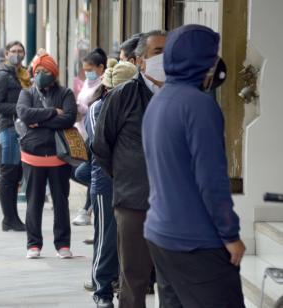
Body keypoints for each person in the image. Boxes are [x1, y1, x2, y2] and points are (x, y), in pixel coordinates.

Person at [143, 24, 246, 307]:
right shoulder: (199, 106)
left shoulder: (158, 100)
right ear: (203, 61)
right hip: (197, 242)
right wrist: (230, 234)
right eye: (213, 56)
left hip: (161, 234)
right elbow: (212, 179)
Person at [92, 29, 167, 308]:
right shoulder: (122, 96)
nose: (165, 57)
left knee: (171, 278)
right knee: (133, 278)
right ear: (140, 61)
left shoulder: (181, 95)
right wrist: (126, 176)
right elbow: (101, 147)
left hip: (173, 202)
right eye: (158, 51)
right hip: (133, 200)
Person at [85, 60, 137, 308]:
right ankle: (102, 290)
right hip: (107, 182)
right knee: (106, 238)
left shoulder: (138, 107)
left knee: (129, 239)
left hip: (133, 183)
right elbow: (100, 147)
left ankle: (122, 285)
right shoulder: (98, 109)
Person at [17, 54, 77, 259]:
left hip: (59, 156)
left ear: (54, 73)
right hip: (32, 156)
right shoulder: (27, 93)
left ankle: (63, 244)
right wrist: (53, 112)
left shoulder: (66, 93)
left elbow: (69, 118)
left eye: (46, 71)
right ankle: (33, 244)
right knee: (34, 201)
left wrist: (39, 120)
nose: (41, 75)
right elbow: (24, 115)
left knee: (61, 201)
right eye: (38, 71)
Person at [0, 40, 31, 232]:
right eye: (13, 51)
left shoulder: (24, 74)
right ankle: (9, 218)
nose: (17, 54)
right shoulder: (2, 75)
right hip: (9, 128)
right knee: (8, 173)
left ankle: (13, 217)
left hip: (23, 128)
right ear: (6, 54)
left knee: (16, 174)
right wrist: (21, 108)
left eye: (20, 51)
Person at [72, 48, 108, 227]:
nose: (88, 73)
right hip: (81, 131)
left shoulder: (104, 84)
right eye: (85, 70)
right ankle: (88, 207)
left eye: (90, 69)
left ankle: (87, 208)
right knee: (82, 171)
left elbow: (95, 107)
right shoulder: (87, 83)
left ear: (101, 68)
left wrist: (84, 109)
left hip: (93, 134)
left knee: (88, 172)